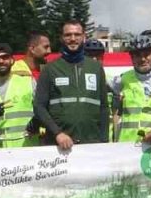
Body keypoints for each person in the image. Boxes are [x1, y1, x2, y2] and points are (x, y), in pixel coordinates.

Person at [33, 20, 111, 149]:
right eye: (68, 35)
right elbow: (39, 107)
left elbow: (104, 107)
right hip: (58, 144)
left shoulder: (96, 68)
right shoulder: (50, 69)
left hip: (92, 143)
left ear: (83, 37)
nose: (73, 39)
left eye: (77, 34)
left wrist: (104, 140)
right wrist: (58, 133)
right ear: (61, 38)